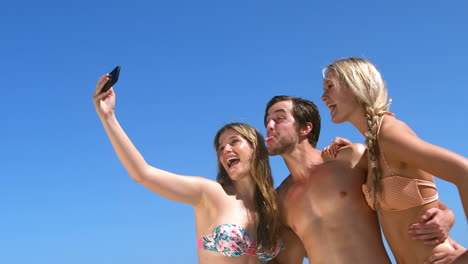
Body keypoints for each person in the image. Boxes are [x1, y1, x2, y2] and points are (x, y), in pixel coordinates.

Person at [92, 74, 282, 264]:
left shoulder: (272, 206)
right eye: (221, 147)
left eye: (234, 141)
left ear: (255, 148)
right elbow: (142, 174)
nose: (226, 150)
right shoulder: (209, 193)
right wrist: (108, 117)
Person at [263, 95, 457, 264]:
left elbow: (405, 186)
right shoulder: (280, 199)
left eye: (279, 118)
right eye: (267, 122)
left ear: (305, 128)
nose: (269, 127)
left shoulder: (351, 158)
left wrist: (446, 213)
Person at [321, 57, 468, 263]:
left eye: (330, 86)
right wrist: (448, 213)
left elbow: (464, 171)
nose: (323, 97)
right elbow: (420, 196)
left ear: (356, 85)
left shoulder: (389, 133)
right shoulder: (374, 147)